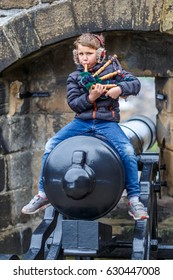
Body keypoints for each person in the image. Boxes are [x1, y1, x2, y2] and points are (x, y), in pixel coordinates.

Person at [21, 33, 149, 220]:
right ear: (76, 55)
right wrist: (91, 98)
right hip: (82, 122)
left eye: (88, 53)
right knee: (50, 145)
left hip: (107, 123)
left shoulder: (113, 71)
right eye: (81, 54)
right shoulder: (75, 77)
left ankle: (134, 200)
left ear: (99, 54)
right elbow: (74, 104)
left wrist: (119, 89)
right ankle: (43, 194)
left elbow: (135, 84)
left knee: (127, 152)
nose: (84, 58)